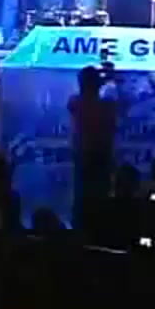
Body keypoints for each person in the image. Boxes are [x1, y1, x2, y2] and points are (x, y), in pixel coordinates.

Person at [67, 64, 118, 229]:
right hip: (101, 156)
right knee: (100, 195)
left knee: (82, 195)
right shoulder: (106, 106)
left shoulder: (76, 103)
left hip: (84, 156)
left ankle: (81, 227)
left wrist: (103, 79)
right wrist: (109, 77)